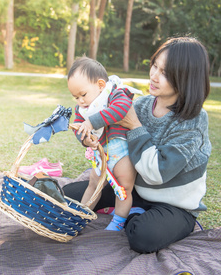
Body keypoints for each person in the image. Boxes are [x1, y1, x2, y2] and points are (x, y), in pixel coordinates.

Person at [64, 37, 211, 253]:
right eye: (154, 66)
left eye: (165, 73)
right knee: (70, 194)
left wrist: (135, 125)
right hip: (137, 188)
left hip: (173, 205)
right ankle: (131, 206)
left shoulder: (193, 120)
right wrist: (88, 138)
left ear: (186, 78)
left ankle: (133, 214)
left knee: (143, 236)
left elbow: (157, 173)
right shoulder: (140, 104)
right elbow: (107, 132)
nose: (154, 76)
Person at [67, 56, 143, 231]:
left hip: (121, 150)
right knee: (94, 183)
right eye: (75, 97)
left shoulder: (115, 93)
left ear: (101, 85)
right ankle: (80, 216)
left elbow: (121, 109)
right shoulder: (83, 108)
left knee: (123, 187)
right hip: (101, 154)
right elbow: (78, 126)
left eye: (83, 94)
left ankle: (118, 221)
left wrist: (92, 122)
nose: (80, 101)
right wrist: (85, 139)